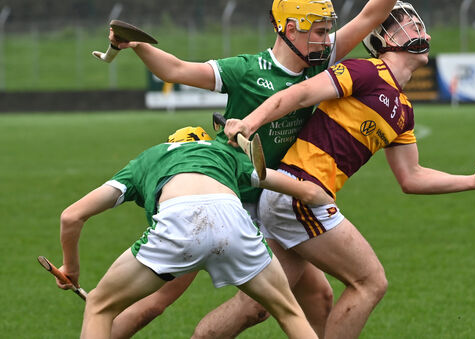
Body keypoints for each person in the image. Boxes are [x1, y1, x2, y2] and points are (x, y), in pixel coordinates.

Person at [107, 0, 443, 338]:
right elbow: (178, 70)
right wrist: (138, 46)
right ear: (289, 30)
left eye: (327, 30)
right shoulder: (247, 70)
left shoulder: (322, 62)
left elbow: (373, 15)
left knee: (315, 297)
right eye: (318, 31)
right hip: (230, 197)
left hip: (278, 198)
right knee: (157, 303)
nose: (326, 38)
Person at [224, 0, 475, 338]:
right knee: (370, 281)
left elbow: (412, 177)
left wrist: (473, 181)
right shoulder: (365, 70)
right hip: (301, 193)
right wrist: (249, 123)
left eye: (421, 25)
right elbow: (301, 93)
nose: (422, 31)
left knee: (258, 307)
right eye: (410, 26)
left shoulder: (403, 111)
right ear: (384, 39)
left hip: (294, 201)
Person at [56, 126, 335, 338]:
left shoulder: (147, 159)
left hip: (178, 221)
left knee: (99, 305)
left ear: (171, 144)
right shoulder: (225, 152)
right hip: (233, 221)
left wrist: (71, 267)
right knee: (290, 313)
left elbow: (71, 216)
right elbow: (307, 191)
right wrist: (329, 203)